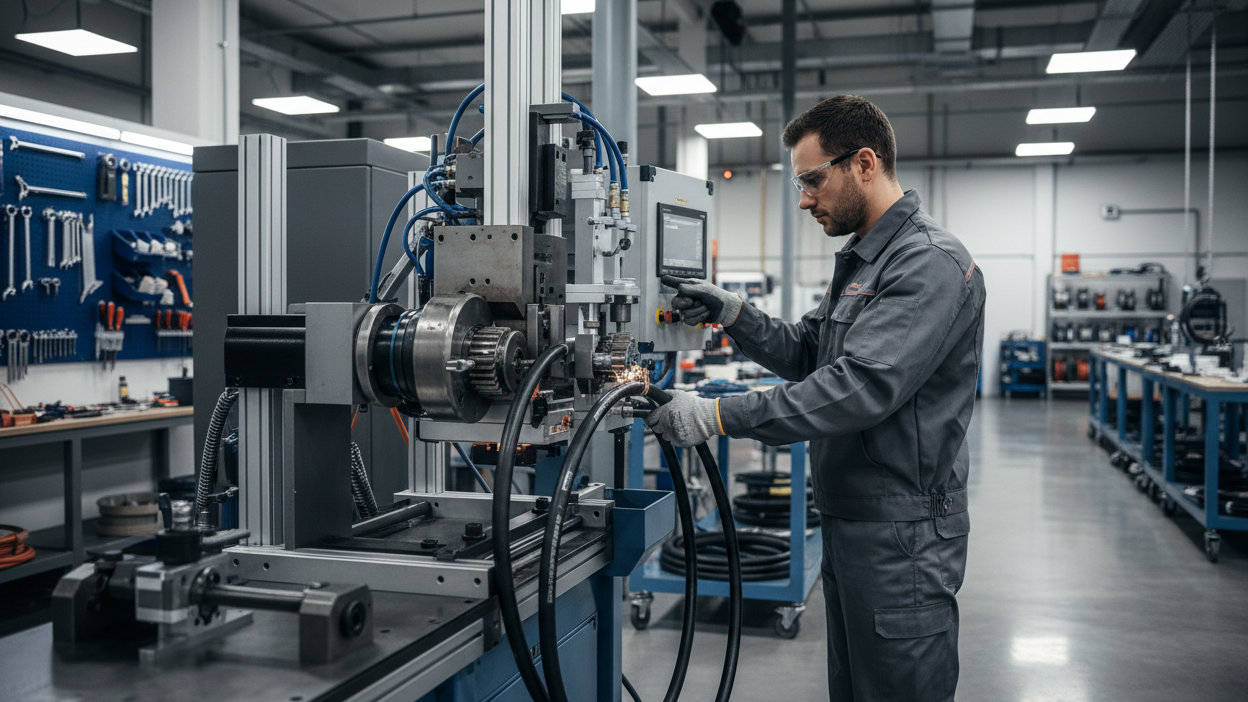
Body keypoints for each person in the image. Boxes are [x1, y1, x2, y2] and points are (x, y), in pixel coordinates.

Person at [646, 95, 986, 702]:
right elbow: (810, 349)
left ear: (863, 163)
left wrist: (717, 414)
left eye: (810, 179)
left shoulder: (928, 263)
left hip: (901, 537)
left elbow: (858, 387)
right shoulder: (865, 260)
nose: (803, 199)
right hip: (855, 520)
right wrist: (734, 312)